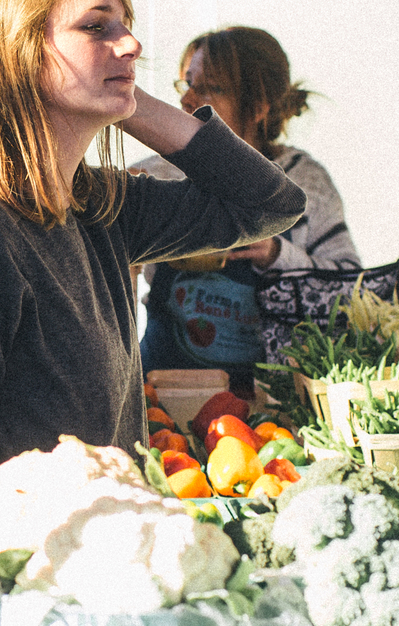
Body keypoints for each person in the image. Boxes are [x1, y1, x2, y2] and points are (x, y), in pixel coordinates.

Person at [0, 0, 307, 470]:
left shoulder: (102, 207)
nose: (132, 43)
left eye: (127, 25)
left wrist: (126, 100)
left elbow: (270, 204)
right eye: (97, 27)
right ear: (15, 53)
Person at [140, 25, 360, 393]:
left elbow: (352, 292)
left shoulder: (305, 182)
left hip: (268, 398)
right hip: (164, 384)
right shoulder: (157, 172)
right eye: (187, 84)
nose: (187, 99)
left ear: (258, 107)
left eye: (208, 88)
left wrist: (278, 254)